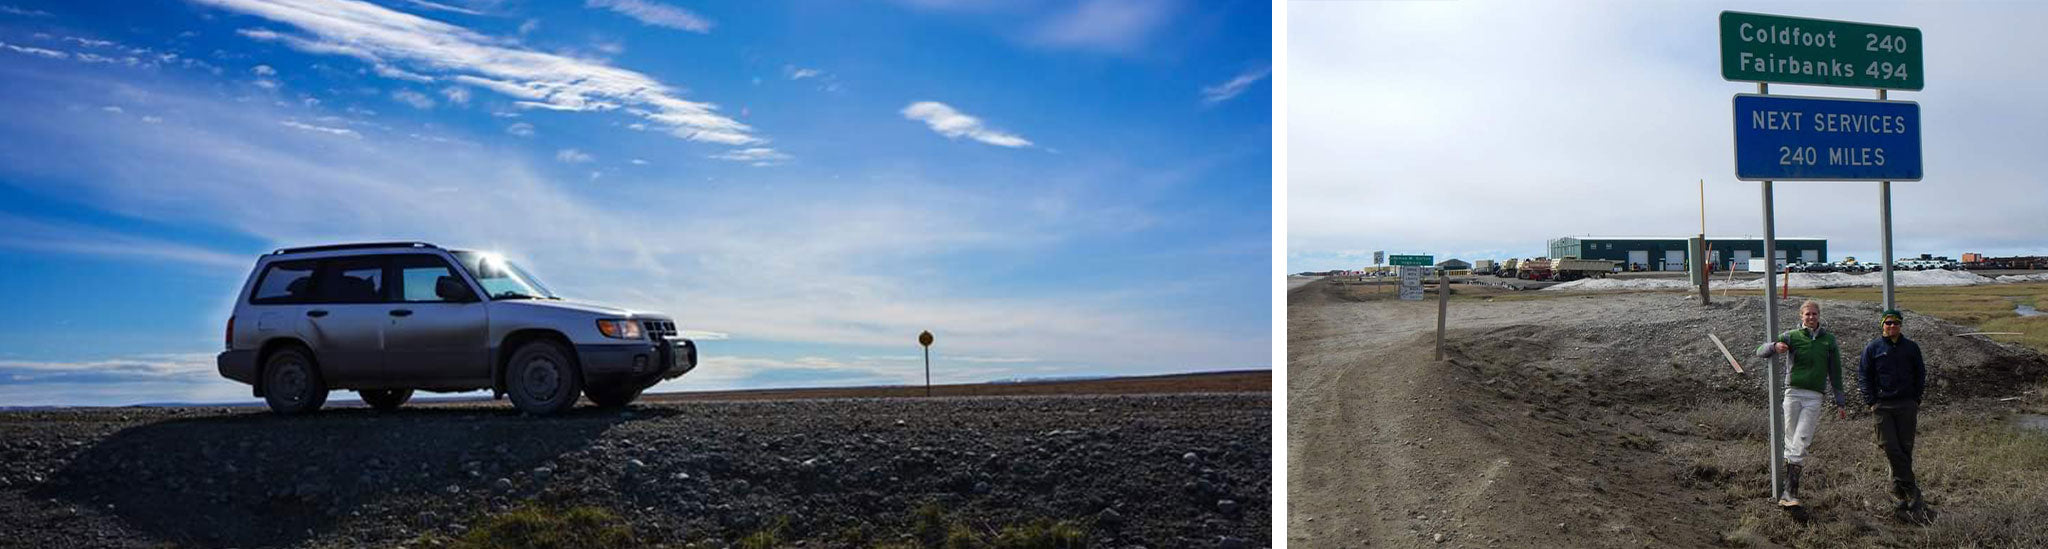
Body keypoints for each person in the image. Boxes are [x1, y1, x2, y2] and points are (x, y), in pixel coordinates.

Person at [1754, 299, 1849, 506]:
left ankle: (1790, 492)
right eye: (1808, 314)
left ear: (1819, 316)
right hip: (1793, 393)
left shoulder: (1828, 341)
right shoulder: (1791, 336)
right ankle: (1788, 492)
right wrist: (1774, 346)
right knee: (1790, 438)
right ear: (1801, 316)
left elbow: (1836, 372)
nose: (1811, 317)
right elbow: (1760, 350)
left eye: (1814, 314)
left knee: (1802, 438)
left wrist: (1840, 401)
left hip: (1814, 396)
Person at [1858, 309, 1928, 519]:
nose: (1891, 327)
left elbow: (1920, 373)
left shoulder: (1911, 348)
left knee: (1905, 448)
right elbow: (1864, 375)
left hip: (1906, 404)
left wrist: (1916, 399)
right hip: (1882, 406)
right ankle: (1913, 489)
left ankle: (1899, 494)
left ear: (1900, 325)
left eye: (1895, 323)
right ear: (1882, 325)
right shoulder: (1873, 348)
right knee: (1889, 445)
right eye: (1888, 323)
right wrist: (1871, 401)